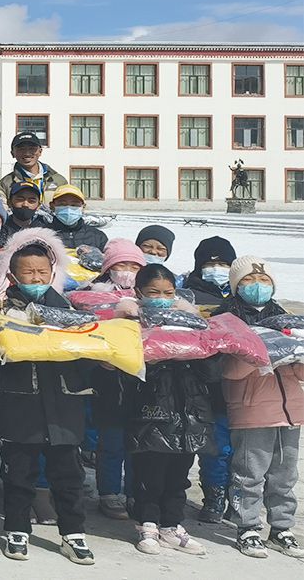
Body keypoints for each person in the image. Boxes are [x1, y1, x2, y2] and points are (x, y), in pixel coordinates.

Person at [0, 228, 96, 565]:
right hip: (21, 406)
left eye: (42, 272)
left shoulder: (69, 310)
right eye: (28, 272)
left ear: (52, 272)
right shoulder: (3, 311)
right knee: (19, 474)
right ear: (13, 275)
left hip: (64, 407)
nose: (36, 277)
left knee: (69, 475)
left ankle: (73, 534)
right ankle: (17, 530)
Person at [114, 265, 217, 556]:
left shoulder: (190, 322)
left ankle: (172, 525)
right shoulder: (129, 322)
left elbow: (211, 373)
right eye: (153, 293)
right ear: (138, 293)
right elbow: (120, 371)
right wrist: (149, 362)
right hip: (150, 412)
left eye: (168, 293)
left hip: (189, 412)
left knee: (179, 474)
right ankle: (147, 525)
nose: (161, 298)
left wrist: (197, 351)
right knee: (150, 473)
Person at [217, 256, 304, 559]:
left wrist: (294, 356)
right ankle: (247, 526)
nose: (257, 287)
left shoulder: (285, 318)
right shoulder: (227, 318)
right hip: (251, 409)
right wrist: (259, 355)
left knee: (285, 474)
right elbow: (225, 370)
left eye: (264, 281)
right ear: (236, 285)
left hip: (290, 409)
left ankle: (281, 528)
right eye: (249, 281)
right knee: (249, 472)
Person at [0, 132, 66, 201]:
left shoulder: (58, 181)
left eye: (32, 148)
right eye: (21, 149)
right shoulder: (5, 185)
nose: (27, 153)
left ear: (40, 151)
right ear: (12, 153)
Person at [47, 184, 106, 252]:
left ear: (83, 207)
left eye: (74, 205)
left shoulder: (97, 236)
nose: (68, 209)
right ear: (52, 206)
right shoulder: (43, 234)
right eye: (62, 204)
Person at [182, 236, 235, 307]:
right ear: (199, 268)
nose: (216, 269)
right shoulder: (188, 296)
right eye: (210, 264)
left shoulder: (242, 293)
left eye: (222, 264)